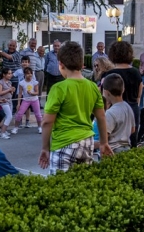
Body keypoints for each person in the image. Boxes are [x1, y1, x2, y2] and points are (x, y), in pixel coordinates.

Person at [38, 41, 110, 173]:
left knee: (60, 187)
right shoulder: (93, 86)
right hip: (87, 142)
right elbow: (101, 117)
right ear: (82, 63)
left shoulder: (58, 88)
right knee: (82, 184)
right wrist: (104, 143)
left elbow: (47, 121)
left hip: (64, 143)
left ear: (61, 64)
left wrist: (45, 148)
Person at [105, 41, 142, 148]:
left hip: (114, 110)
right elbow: (139, 91)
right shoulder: (135, 72)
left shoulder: (110, 74)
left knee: (114, 140)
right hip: (133, 107)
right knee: (132, 139)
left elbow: (105, 97)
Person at [101, 73, 134, 155]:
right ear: (123, 89)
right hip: (127, 147)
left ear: (106, 92)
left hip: (113, 150)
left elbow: (105, 136)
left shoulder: (110, 113)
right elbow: (133, 129)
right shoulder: (128, 107)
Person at [12, 67, 43, 136]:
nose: (29, 75)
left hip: (34, 100)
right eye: (28, 74)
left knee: (38, 115)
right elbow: (20, 93)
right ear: (24, 74)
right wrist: (18, 103)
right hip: (25, 100)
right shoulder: (21, 83)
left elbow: (37, 92)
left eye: (30, 73)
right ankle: (15, 128)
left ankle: (40, 127)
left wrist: (32, 93)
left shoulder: (35, 82)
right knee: (19, 114)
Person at [0, 68, 15, 138]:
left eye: (11, 73)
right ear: (4, 74)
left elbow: (10, 92)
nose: (10, 75)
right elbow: (0, 93)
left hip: (9, 100)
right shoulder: (0, 83)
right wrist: (9, 89)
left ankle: (5, 130)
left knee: (8, 116)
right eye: (9, 73)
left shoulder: (9, 82)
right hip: (3, 101)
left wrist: (12, 90)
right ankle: (2, 133)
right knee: (9, 116)